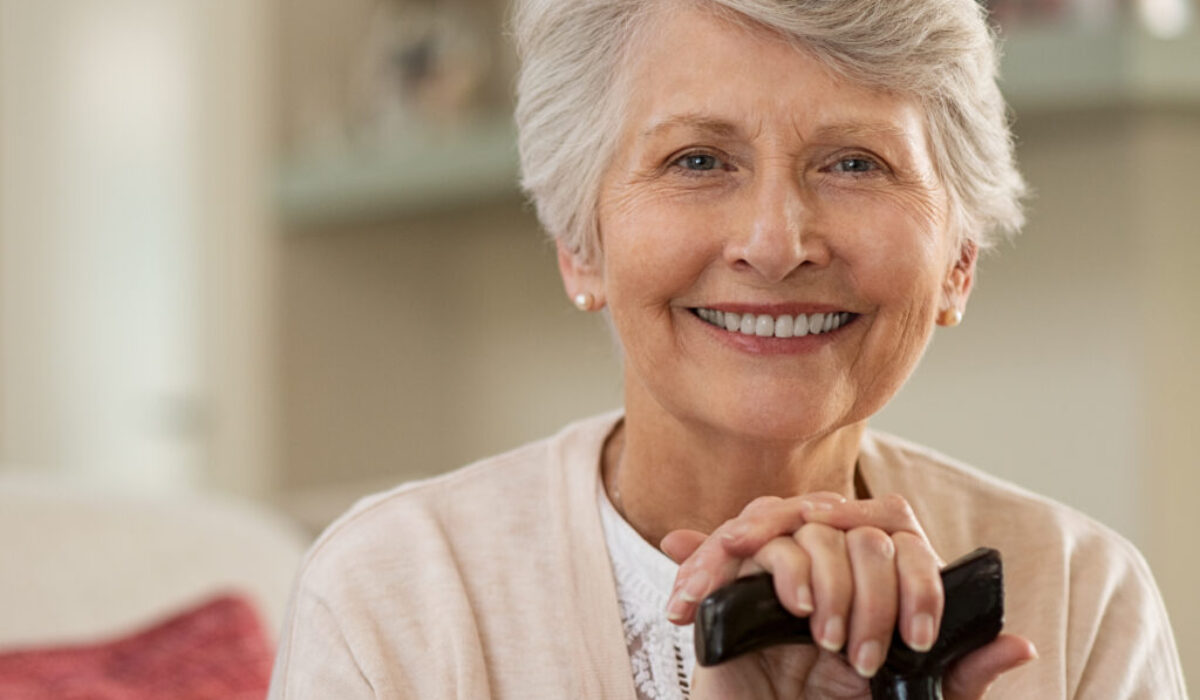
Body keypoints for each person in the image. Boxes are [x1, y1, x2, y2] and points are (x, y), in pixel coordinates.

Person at [269, 0, 1189, 697]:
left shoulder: (1079, 596)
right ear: (580, 245)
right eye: (698, 161)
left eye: (855, 162)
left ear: (959, 259)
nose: (778, 241)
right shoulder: (394, 597)